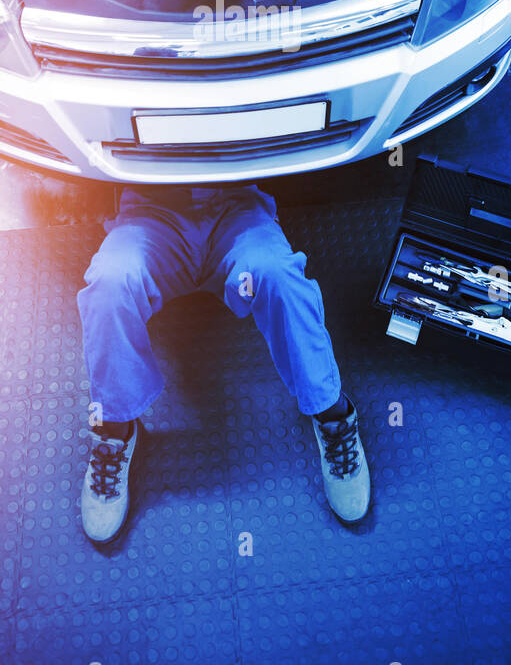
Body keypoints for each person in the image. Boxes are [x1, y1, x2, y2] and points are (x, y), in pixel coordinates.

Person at [77, 183, 370, 542]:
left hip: (237, 210)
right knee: (109, 284)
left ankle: (332, 414)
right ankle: (116, 430)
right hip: (153, 212)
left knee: (278, 274)